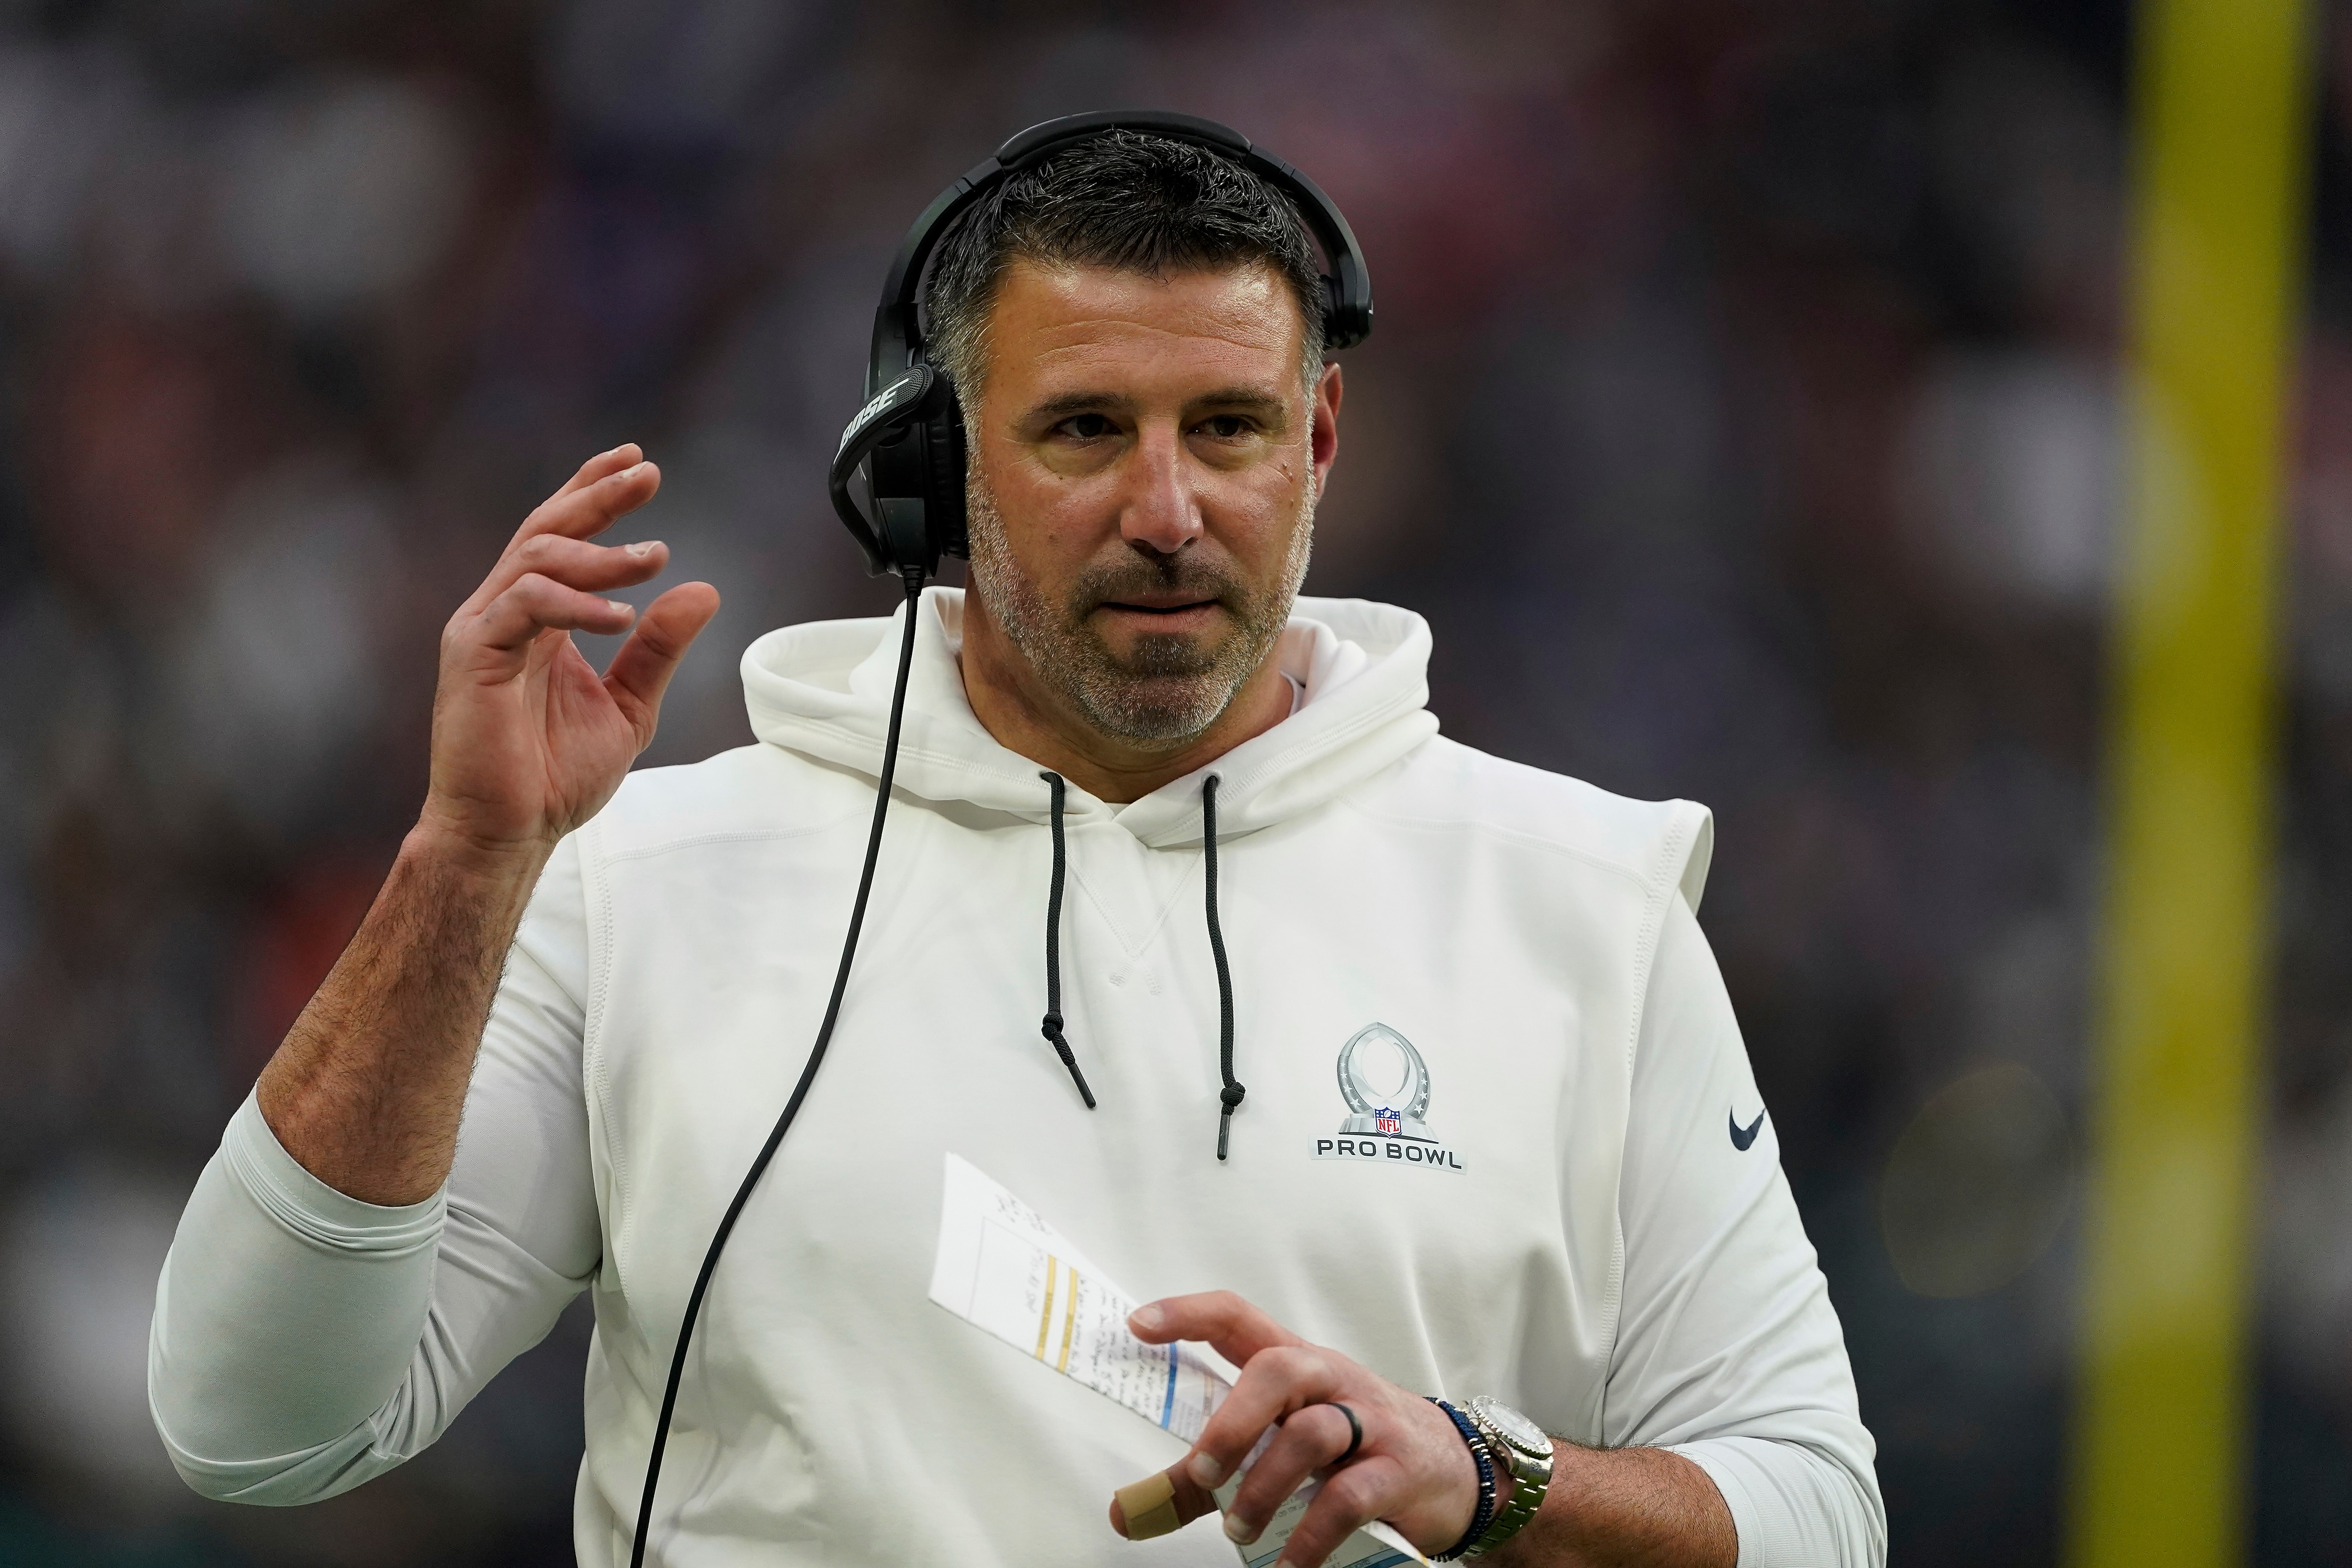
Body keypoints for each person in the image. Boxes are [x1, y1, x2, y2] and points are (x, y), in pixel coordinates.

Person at [148, 124, 1883, 1568]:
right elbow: (255, 1424)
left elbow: (1817, 1506)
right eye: (1081, 431)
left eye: (1229, 428)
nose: (1165, 509)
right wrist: (463, 858)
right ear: (937, 464)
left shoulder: (1585, 902)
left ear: (1321, 441)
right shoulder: (642, 879)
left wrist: (1488, 1472)